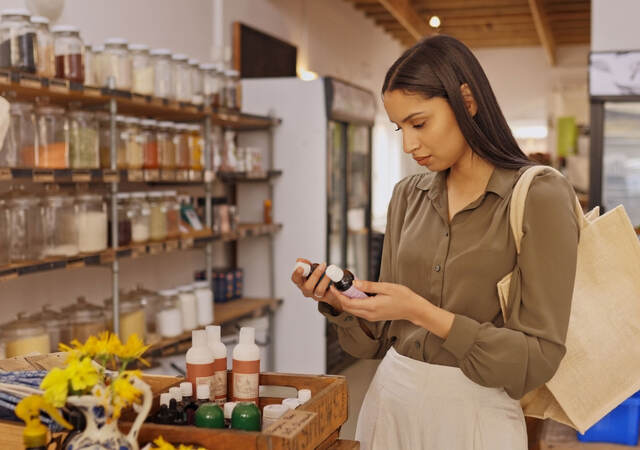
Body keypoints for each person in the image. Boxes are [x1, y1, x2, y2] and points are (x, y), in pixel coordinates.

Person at [291, 35, 579, 450]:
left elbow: (537, 360)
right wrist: (344, 305)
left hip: (478, 415)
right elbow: (375, 340)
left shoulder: (539, 195)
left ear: (467, 100)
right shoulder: (407, 195)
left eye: (419, 123)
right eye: (399, 128)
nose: (409, 145)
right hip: (390, 403)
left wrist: (421, 311)